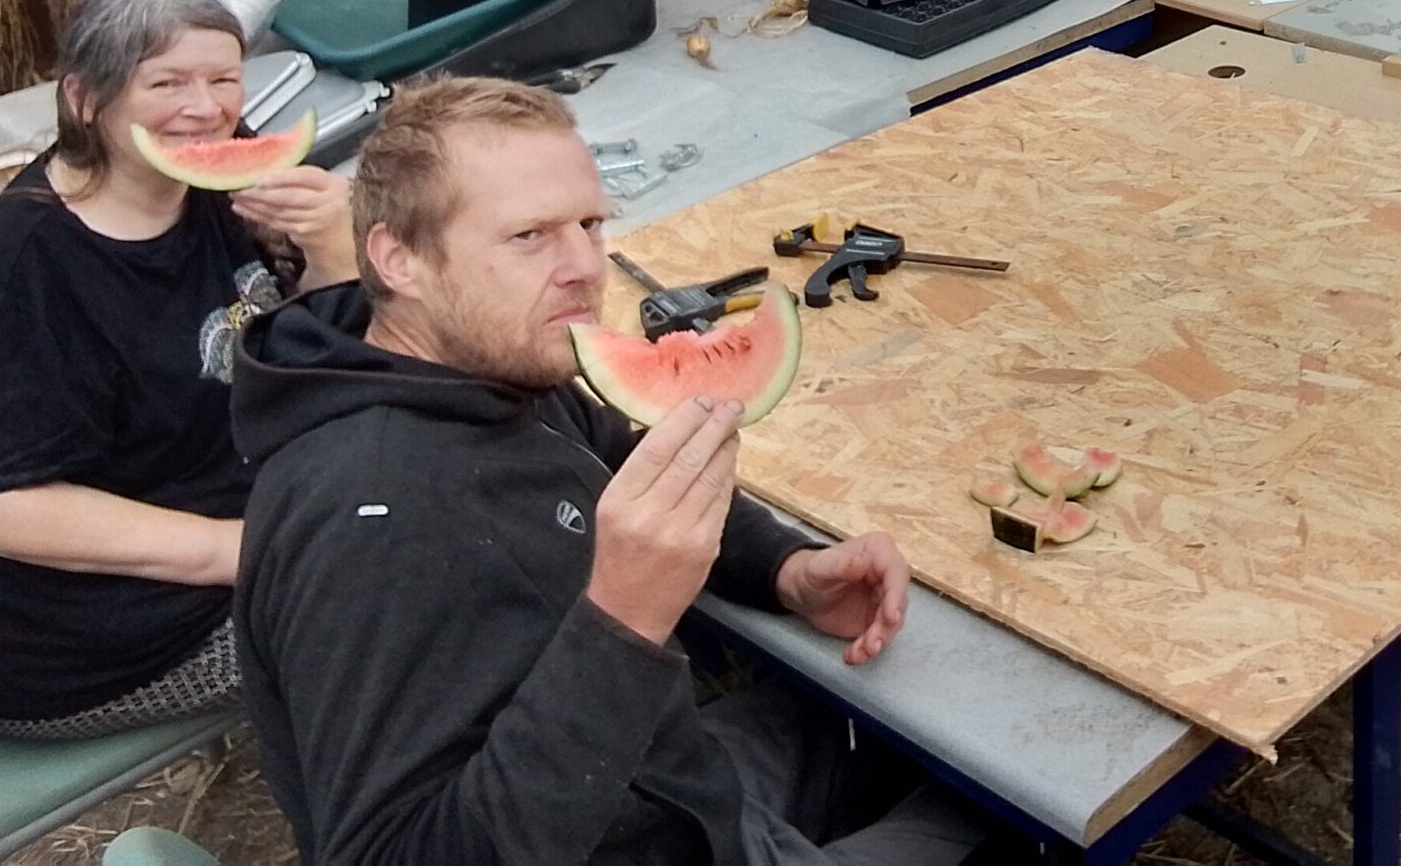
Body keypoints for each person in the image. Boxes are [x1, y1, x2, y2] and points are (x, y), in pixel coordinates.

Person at [232, 76, 988, 866]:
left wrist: (785, 568)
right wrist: (623, 620)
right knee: (1001, 829)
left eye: (590, 224)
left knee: (946, 727)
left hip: (656, 783)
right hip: (617, 827)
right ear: (400, 258)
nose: (584, 267)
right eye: (529, 236)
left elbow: (620, 460)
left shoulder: (480, 364)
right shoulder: (380, 523)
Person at [0, 0, 354, 736]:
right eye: (168, 82)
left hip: (223, 503)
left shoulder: (211, 181)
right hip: (69, 646)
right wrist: (242, 549)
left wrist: (331, 253)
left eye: (224, 78)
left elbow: (304, 345)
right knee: (408, 597)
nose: (208, 107)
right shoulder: (21, 271)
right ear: (87, 100)